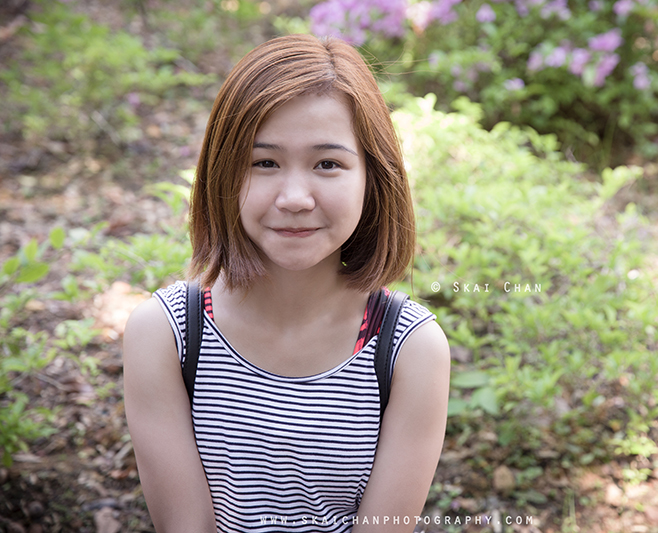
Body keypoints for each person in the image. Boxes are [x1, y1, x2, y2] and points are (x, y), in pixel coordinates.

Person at [122, 34, 450, 532]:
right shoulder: (166, 335)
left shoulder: (409, 348)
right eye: (264, 163)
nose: (295, 197)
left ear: (372, 178)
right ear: (222, 175)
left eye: (328, 164)